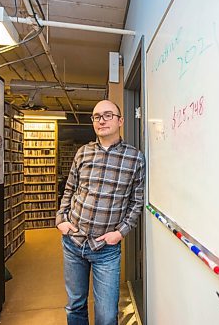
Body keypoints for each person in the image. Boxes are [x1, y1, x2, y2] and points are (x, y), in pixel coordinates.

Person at [56, 100, 145, 325]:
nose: (101, 120)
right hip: (73, 242)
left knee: (106, 316)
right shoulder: (83, 152)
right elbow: (70, 188)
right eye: (97, 116)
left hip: (106, 248)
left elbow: (137, 201)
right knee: (75, 306)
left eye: (107, 115)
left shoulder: (135, 158)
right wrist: (61, 219)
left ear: (120, 121)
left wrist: (121, 232)